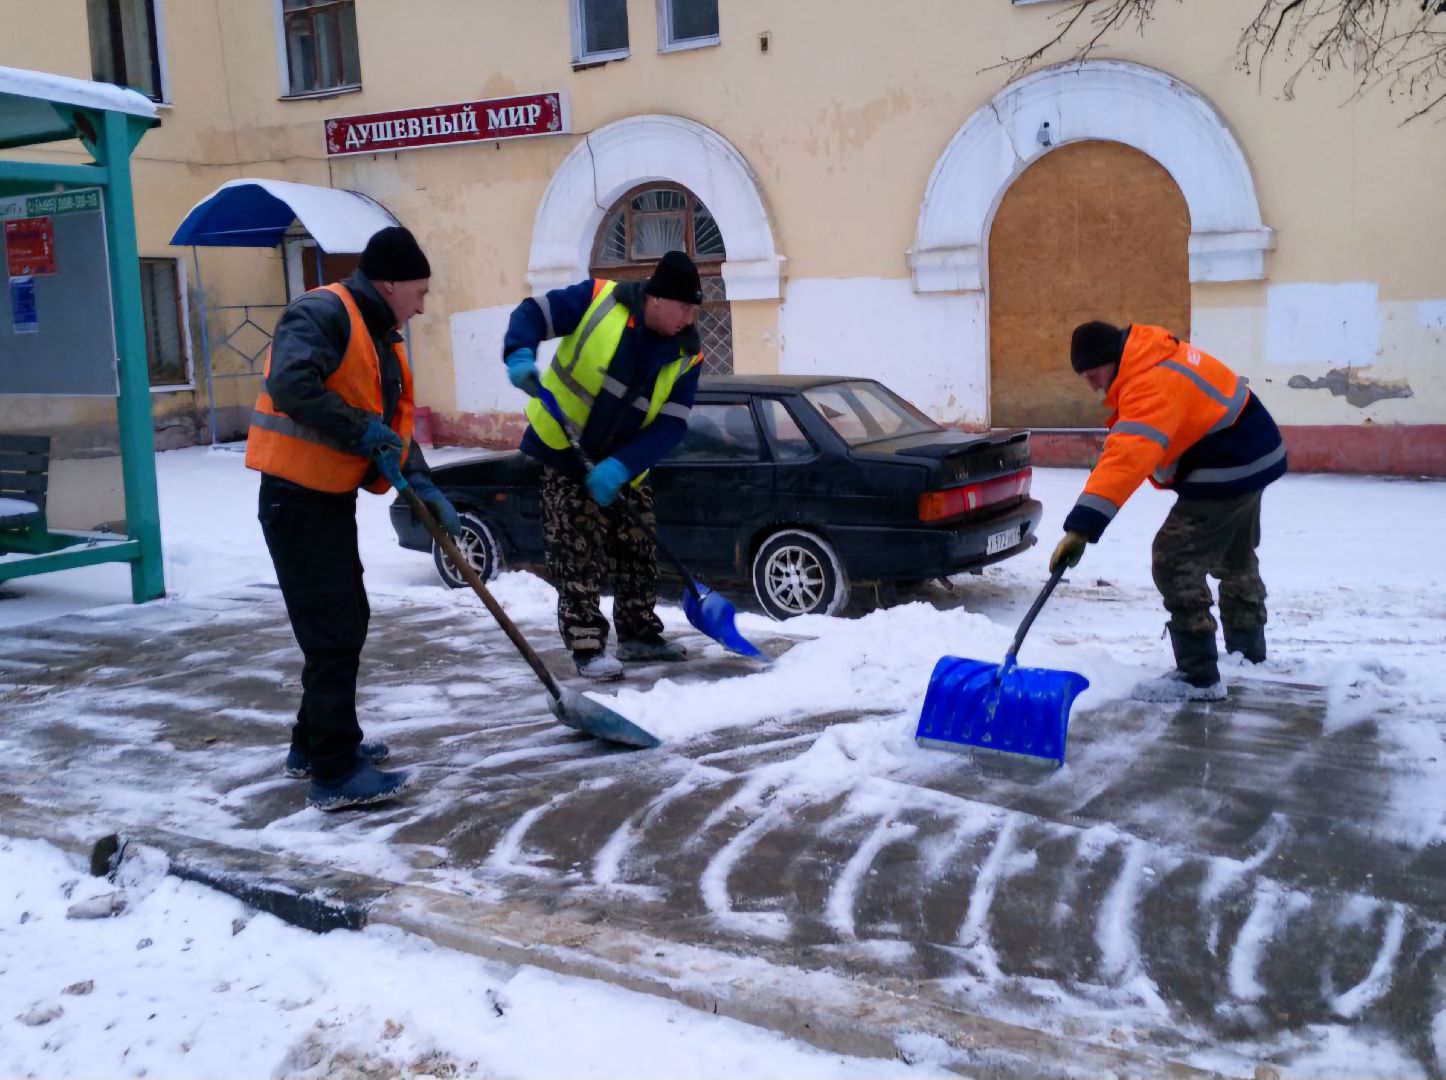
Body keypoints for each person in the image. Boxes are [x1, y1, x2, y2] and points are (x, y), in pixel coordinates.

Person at [247, 225, 460, 811]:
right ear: (388, 282)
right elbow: (291, 383)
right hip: (295, 499)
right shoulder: (320, 312)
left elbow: (389, 428)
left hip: (325, 498)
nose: (423, 303)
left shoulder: (379, 336)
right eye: (418, 290)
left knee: (342, 622)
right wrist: (355, 428)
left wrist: (423, 483)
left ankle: (314, 746)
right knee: (333, 629)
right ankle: (334, 773)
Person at [1048, 321, 1287, 702]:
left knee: (1174, 557)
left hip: (1230, 464)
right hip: (1254, 454)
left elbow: (1131, 453)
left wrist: (1082, 527)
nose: (1092, 386)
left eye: (1093, 375)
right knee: (1233, 554)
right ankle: (1247, 654)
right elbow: (1128, 444)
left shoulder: (1150, 382)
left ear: (1111, 360)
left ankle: (1197, 676)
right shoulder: (1153, 358)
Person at [502, 249, 704, 681]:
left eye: (694, 309)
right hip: (565, 449)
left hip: (625, 463)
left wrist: (620, 466)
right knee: (576, 551)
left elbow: (671, 425)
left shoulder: (688, 351)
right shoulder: (598, 299)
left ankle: (638, 636)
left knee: (639, 548)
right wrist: (519, 353)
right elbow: (534, 312)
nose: (689, 318)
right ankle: (588, 647)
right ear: (656, 298)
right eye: (684, 307)